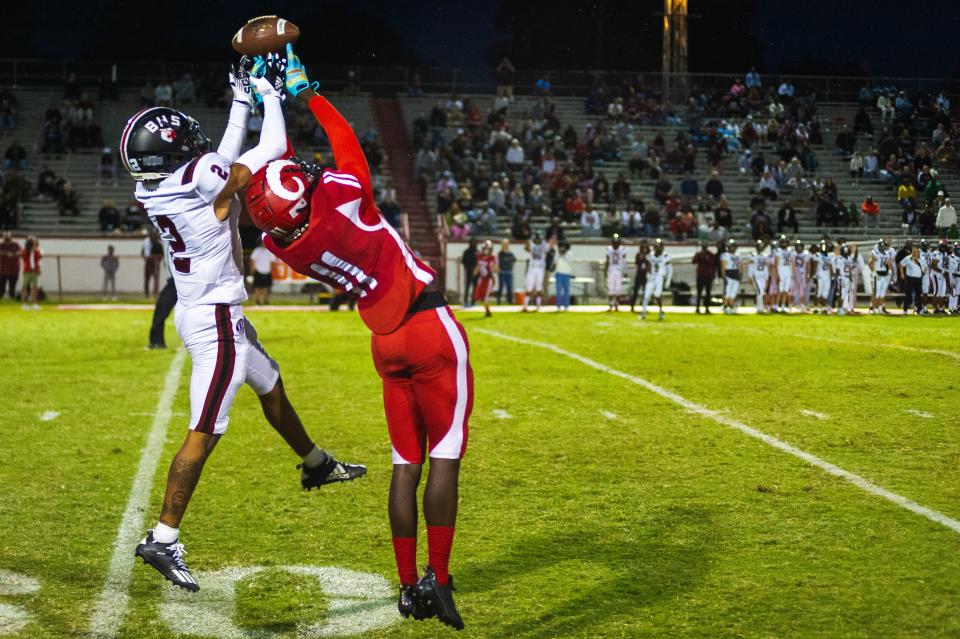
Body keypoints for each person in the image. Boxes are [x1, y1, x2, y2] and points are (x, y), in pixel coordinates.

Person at [122, 54, 366, 593]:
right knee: (204, 431)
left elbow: (219, 161)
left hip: (199, 307)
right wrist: (269, 95)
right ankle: (162, 538)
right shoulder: (201, 178)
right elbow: (269, 150)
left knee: (271, 381)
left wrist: (239, 101)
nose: (194, 141)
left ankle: (316, 463)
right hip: (215, 320)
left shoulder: (155, 186)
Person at [244, 46, 470, 630]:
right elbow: (343, 140)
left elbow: (286, 184)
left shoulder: (278, 242)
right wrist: (305, 91)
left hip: (383, 343)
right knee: (444, 458)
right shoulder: (347, 195)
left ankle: (404, 586)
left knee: (404, 465)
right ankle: (438, 582)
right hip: (427, 324)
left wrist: (268, 100)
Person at [640, 239, 671, 321]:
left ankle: (661, 311)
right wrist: (648, 273)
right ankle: (643, 313)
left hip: (660, 278)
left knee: (657, 295)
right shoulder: (651, 255)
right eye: (656, 247)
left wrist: (668, 280)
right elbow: (648, 265)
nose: (657, 248)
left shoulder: (665, 256)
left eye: (658, 247)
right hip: (652, 277)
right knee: (646, 295)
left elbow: (670, 269)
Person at [868, 238, 896, 314]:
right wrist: (874, 273)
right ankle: (873, 308)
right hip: (877, 273)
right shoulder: (875, 252)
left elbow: (889, 263)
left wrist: (890, 272)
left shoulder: (886, 253)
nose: (883, 247)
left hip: (884, 274)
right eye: (882, 246)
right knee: (876, 293)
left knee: (882, 293)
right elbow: (870, 263)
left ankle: (880, 309)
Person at [522, 232, 547, 312]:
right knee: (529, 287)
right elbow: (526, 249)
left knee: (539, 287)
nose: (537, 241)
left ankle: (538, 306)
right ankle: (525, 305)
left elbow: (548, 250)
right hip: (532, 268)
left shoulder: (544, 244)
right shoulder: (531, 243)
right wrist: (527, 242)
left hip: (540, 268)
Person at [472, 239, 497, 317]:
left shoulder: (492, 257)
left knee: (485, 296)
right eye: (484, 248)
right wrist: (475, 271)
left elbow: (496, 268)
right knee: (479, 295)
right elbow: (479, 265)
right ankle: (488, 311)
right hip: (482, 278)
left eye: (487, 248)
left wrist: (493, 270)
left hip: (489, 279)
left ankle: (488, 312)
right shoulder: (480, 256)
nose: (486, 250)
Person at [747, 240, 772, 313]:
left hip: (763, 277)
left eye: (760, 246)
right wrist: (750, 277)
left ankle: (760, 307)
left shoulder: (765, 256)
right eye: (758, 246)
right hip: (756, 277)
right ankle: (759, 308)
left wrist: (767, 278)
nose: (759, 247)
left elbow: (766, 268)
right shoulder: (753, 256)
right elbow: (750, 267)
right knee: (760, 292)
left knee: (761, 292)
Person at [692, 241, 717, 314]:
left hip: (708, 276)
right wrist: (698, 255)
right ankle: (697, 307)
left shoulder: (710, 255)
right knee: (699, 293)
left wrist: (713, 275)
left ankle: (707, 308)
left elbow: (713, 265)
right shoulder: (699, 254)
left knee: (708, 293)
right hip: (700, 275)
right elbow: (694, 261)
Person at [772, 235, 795, 313]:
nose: (784, 243)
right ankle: (775, 307)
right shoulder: (778, 251)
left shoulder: (790, 251)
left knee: (786, 291)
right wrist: (777, 275)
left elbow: (792, 263)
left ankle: (782, 308)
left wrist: (793, 273)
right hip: (781, 272)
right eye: (783, 242)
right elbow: (775, 264)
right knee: (780, 291)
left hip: (788, 273)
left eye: (785, 242)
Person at [899, 245, 925, 314]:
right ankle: (905, 310)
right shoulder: (908, 258)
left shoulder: (922, 259)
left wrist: (923, 272)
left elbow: (925, 267)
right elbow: (901, 264)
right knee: (908, 294)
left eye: (916, 251)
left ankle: (919, 309)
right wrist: (902, 274)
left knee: (919, 294)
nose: (914, 253)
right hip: (910, 278)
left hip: (918, 279)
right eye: (913, 251)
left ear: (918, 252)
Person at [604, 233, 626, 311]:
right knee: (611, 288)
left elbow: (623, 261)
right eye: (614, 241)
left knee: (618, 289)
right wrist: (605, 271)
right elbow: (607, 261)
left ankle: (616, 304)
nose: (615, 243)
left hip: (618, 271)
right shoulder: (609, 249)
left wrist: (624, 270)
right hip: (611, 270)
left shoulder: (622, 249)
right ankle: (610, 304)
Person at [249, 238, 274, 305]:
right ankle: (256, 300)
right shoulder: (257, 250)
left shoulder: (270, 251)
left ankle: (265, 300)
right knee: (257, 287)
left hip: (267, 271)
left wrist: (271, 270)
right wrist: (252, 271)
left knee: (266, 287)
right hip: (258, 271)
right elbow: (252, 261)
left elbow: (272, 262)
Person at [812, 242, 835, 314]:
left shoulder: (830, 256)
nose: (825, 248)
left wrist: (832, 277)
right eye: (824, 247)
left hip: (827, 277)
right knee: (818, 292)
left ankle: (824, 308)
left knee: (825, 293)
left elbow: (831, 267)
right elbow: (814, 266)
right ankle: (815, 307)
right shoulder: (817, 255)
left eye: (827, 247)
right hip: (820, 276)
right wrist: (814, 276)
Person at [628, 239, 650, 313]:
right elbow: (637, 263)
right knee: (635, 291)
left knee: (646, 292)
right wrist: (642, 255)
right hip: (639, 274)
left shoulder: (650, 254)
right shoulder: (638, 254)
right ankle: (632, 306)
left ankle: (644, 307)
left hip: (646, 274)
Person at [19, 235, 41, 310]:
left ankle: (34, 303)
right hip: (27, 271)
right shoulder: (25, 250)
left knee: (35, 287)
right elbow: (23, 256)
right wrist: (29, 250)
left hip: (35, 271)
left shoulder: (37, 251)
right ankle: (23, 303)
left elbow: (39, 258)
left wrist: (35, 250)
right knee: (24, 287)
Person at [720, 239, 741, 314]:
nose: (733, 248)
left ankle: (731, 306)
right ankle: (726, 306)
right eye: (732, 246)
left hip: (736, 274)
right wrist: (724, 276)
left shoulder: (738, 255)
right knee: (727, 292)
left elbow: (739, 266)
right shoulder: (725, 255)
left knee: (733, 293)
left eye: (734, 246)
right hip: (728, 274)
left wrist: (740, 273)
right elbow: (723, 267)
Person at [142, 229, 162, 298]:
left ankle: (155, 293)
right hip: (148, 262)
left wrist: (155, 258)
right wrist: (146, 258)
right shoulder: (146, 242)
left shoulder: (158, 244)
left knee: (156, 279)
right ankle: (146, 294)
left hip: (155, 263)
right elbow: (142, 252)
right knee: (147, 279)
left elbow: (161, 255)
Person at [792, 239, 811, 312]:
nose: (799, 248)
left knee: (803, 289)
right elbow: (792, 264)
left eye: (800, 246)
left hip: (803, 273)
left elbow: (808, 265)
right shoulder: (793, 254)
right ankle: (795, 304)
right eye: (798, 246)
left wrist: (808, 274)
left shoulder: (806, 254)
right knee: (794, 290)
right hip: (795, 273)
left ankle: (803, 304)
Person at [0, 231, 20, 300]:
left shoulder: (15, 244)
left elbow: (20, 251)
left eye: (8, 236)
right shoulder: (1, 245)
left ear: (11, 236)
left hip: (14, 269)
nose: (6, 237)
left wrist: (14, 254)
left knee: (12, 286)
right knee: (2, 286)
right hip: (3, 270)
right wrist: (6, 253)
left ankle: (12, 297)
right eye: (5, 236)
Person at [554, 241, 572, 311]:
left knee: (566, 291)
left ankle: (566, 306)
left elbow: (569, 260)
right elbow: (555, 261)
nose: (562, 248)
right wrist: (559, 254)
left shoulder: (569, 253)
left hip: (567, 274)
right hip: (559, 274)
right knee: (558, 291)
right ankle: (558, 305)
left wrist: (564, 254)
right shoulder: (557, 253)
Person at [496, 239, 515, 305]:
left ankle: (510, 300)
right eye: (504, 244)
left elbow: (514, 259)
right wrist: (507, 260)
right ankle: (499, 300)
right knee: (501, 286)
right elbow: (501, 261)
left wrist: (507, 260)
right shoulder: (500, 253)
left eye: (507, 244)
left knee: (509, 287)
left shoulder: (510, 253)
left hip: (509, 272)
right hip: (502, 272)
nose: (506, 245)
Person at [461, 238, 478, 307]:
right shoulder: (466, 252)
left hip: (476, 272)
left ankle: (473, 301)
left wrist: (476, 269)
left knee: (475, 287)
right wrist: (467, 267)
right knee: (467, 286)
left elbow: (479, 262)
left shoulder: (477, 252)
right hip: (468, 271)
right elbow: (463, 261)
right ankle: (465, 300)